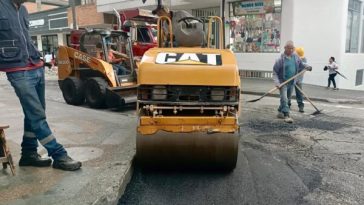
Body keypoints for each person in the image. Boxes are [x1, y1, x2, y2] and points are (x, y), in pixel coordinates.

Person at [0, 0, 82, 171]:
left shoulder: (23, 10)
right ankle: (58, 155)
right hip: (17, 68)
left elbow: (25, 36)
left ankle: (29, 154)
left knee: (35, 113)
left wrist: (40, 60)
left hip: (36, 65)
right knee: (36, 114)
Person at [273, 41, 311, 123]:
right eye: (289, 48)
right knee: (284, 98)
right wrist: (277, 83)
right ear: (285, 48)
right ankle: (286, 115)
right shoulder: (280, 60)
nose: (290, 50)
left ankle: (280, 110)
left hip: (292, 82)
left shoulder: (296, 57)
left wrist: (307, 66)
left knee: (287, 98)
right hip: (283, 82)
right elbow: (275, 72)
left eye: (292, 48)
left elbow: (301, 65)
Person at [289, 47, 307, 113]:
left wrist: (307, 67)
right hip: (291, 79)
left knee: (299, 93)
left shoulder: (303, 59)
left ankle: (301, 106)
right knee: (289, 93)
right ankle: (287, 105)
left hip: (299, 79)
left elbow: (304, 65)